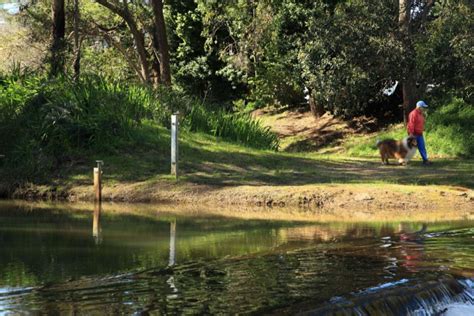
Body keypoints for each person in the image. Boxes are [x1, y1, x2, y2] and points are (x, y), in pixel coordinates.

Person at [407, 100, 432, 165]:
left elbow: (420, 123)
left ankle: (425, 160)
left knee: (422, 147)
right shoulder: (413, 113)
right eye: (423, 107)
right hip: (414, 134)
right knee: (411, 148)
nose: (424, 108)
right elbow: (411, 124)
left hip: (419, 134)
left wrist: (423, 128)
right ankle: (404, 160)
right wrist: (411, 134)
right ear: (419, 107)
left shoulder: (421, 114)